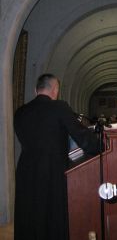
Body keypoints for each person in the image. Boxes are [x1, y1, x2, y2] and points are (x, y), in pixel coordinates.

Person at [14, 74, 100, 240]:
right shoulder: (59, 107)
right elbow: (81, 136)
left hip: (25, 170)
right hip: (52, 170)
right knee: (52, 216)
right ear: (55, 90)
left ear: (35, 90)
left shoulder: (20, 112)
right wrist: (99, 147)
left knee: (30, 213)